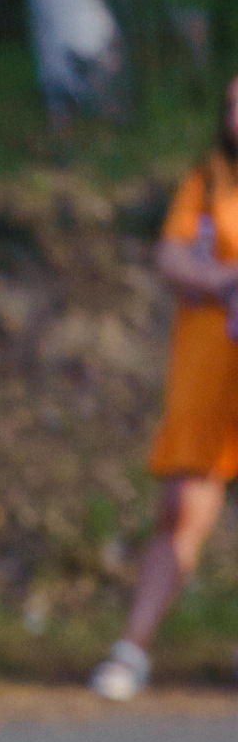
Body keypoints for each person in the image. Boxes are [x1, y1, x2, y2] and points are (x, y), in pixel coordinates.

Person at [87, 78, 238, 701]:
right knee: (182, 511)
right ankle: (132, 650)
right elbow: (172, 257)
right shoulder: (207, 182)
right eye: (230, 104)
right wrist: (224, 280)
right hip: (211, 373)